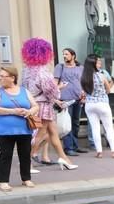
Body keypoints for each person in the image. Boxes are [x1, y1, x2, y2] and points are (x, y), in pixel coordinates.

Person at [23, 38, 78, 170]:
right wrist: (59, 89)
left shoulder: (26, 70)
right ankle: (28, 160)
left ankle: (64, 158)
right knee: (40, 134)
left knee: (52, 132)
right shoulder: (43, 71)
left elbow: (24, 88)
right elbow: (51, 91)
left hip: (32, 105)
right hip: (43, 107)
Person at [0, 66, 39, 191]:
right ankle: (3, 181)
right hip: (4, 130)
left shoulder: (24, 91)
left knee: (25, 154)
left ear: (12, 78)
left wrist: (29, 111)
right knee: (5, 154)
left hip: (24, 129)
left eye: (2, 76)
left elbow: (35, 105)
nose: (0, 78)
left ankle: (26, 178)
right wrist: (13, 111)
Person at [80, 54, 114, 159]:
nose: (99, 63)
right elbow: (108, 90)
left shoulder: (84, 77)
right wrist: (111, 83)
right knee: (109, 128)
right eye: (98, 62)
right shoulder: (101, 75)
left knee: (95, 128)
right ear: (94, 64)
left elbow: (84, 93)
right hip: (102, 104)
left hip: (89, 105)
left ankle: (99, 152)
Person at [85, 0, 114, 83]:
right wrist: (91, 30)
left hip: (108, 29)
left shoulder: (108, 0)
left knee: (109, 55)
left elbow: (112, 17)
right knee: (97, 55)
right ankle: (96, 78)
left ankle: (109, 78)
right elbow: (87, 15)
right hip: (98, 29)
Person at [53, 48, 87, 156]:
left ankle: (75, 146)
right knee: (66, 123)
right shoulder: (60, 67)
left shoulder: (80, 68)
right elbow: (54, 84)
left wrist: (83, 93)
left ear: (73, 56)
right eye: (63, 54)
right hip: (65, 100)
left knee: (75, 123)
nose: (64, 56)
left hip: (78, 99)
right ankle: (68, 148)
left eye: (67, 54)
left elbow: (82, 82)